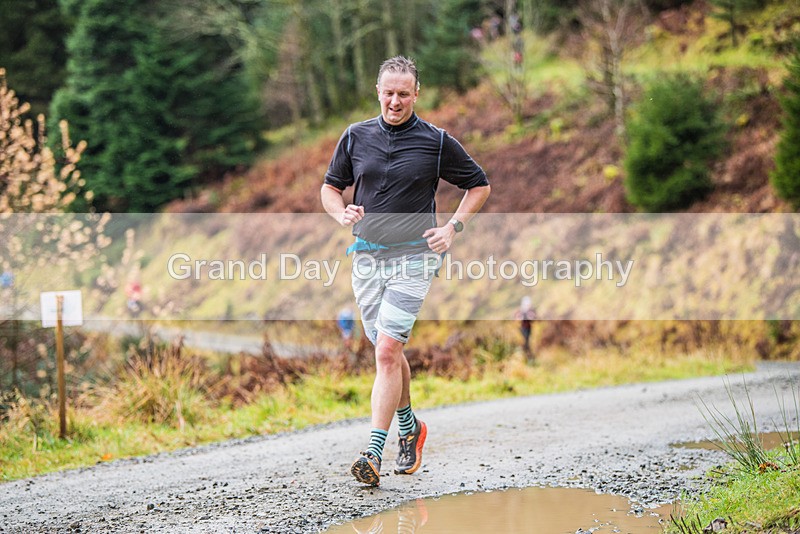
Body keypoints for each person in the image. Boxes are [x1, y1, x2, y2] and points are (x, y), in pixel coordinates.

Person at [321, 56, 491, 486]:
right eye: (388, 93)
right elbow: (329, 188)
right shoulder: (355, 136)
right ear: (378, 92)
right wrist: (342, 212)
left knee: (384, 353)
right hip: (366, 256)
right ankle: (411, 427)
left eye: (403, 93)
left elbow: (479, 185)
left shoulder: (436, 142)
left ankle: (373, 453)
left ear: (417, 94)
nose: (395, 101)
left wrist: (453, 227)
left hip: (415, 257)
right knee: (387, 350)